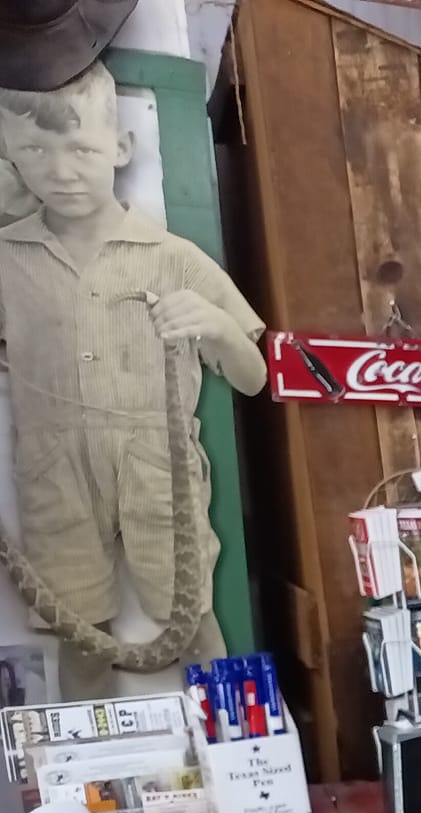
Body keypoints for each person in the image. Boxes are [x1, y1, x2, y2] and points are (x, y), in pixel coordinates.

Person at [0, 62, 266, 692]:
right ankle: (88, 782)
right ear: (10, 155)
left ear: (120, 148)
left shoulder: (174, 258)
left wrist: (219, 328)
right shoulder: (6, 259)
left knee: (191, 618)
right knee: (78, 632)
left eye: (83, 149)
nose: (60, 171)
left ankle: (236, 752)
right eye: (35, 150)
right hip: (51, 467)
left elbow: (253, 379)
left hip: (159, 466)